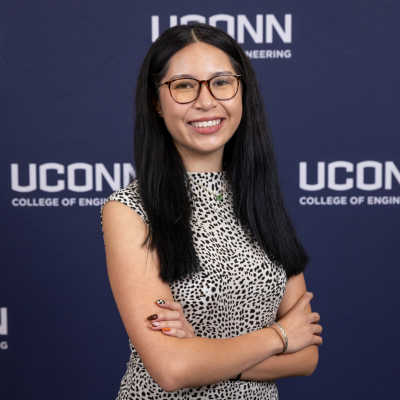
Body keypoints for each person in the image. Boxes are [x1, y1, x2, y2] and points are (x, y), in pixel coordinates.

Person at [100, 23, 323, 399]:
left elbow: (306, 357)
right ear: (157, 102)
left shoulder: (260, 200)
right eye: (184, 86)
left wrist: (202, 352)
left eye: (221, 82)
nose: (206, 102)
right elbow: (172, 369)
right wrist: (280, 336)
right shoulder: (129, 210)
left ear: (242, 92)